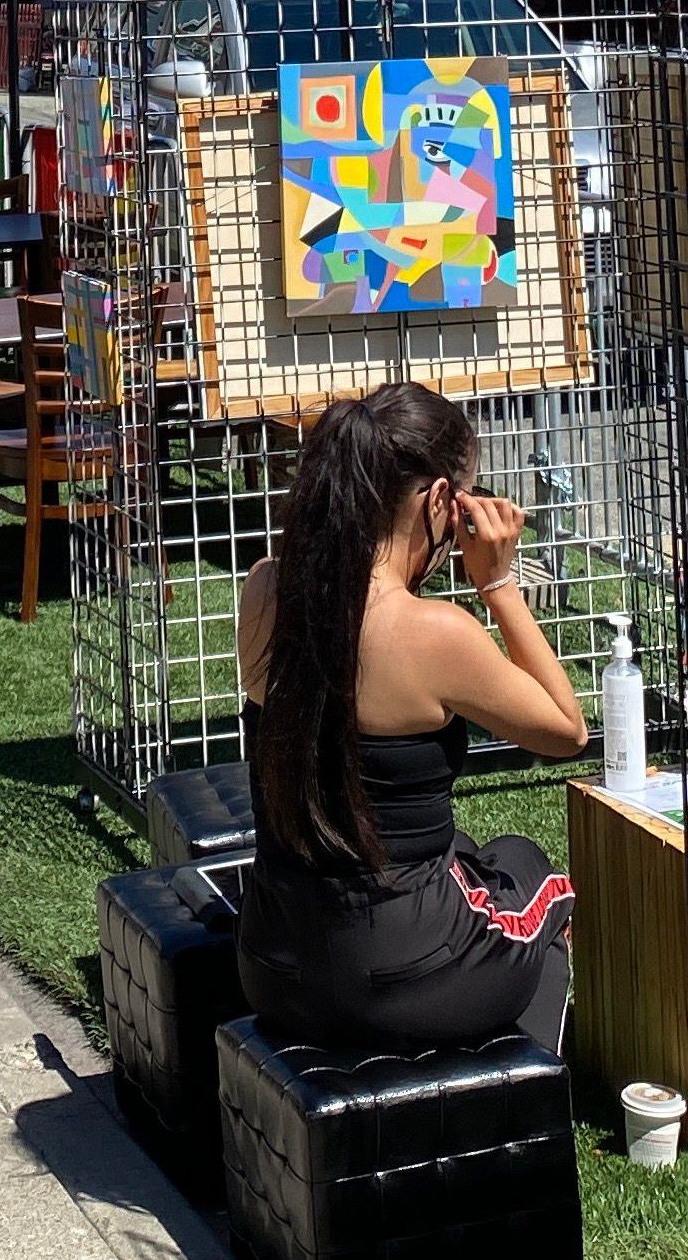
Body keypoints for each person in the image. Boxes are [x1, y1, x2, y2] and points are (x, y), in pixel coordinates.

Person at [234, 382, 585, 1057]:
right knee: (534, 873)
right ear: (440, 500)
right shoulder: (434, 631)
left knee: (470, 852)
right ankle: (520, 1089)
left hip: (273, 964)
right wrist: (498, 584)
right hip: (397, 976)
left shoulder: (267, 587)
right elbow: (565, 731)